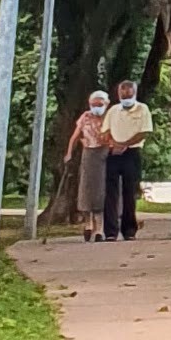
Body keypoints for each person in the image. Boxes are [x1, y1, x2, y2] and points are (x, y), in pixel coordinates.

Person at [100, 77, 151, 241]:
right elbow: (105, 131)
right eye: (123, 96)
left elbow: (144, 132)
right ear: (118, 95)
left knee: (130, 192)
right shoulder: (113, 110)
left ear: (134, 93)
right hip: (113, 153)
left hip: (132, 152)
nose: (126, 98)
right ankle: (110, 232)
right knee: (110, 193)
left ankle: (129, 230)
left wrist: (125, 144)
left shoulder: (143, 109)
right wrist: (113, 143)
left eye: (129, 95)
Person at [66, 92, 110, 241]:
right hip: (88, 154)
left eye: (100, 105)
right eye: (94, 105)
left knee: (101, 190)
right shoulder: (85, 117)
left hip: (104, 154)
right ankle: (88, 224)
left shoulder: (109, 117)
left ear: (106, 104)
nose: (96, 108)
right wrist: (69, 153)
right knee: (86, 188)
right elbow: (75, 136)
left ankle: (99, 229)